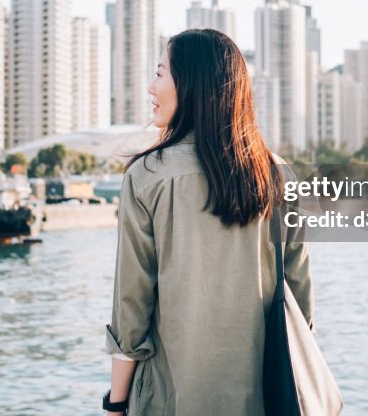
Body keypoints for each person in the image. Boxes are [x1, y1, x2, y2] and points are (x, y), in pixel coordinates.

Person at [103, 29, 312, 415]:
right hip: (265, 399)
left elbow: (131, 310)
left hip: (172, 399)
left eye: (161, 73)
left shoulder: (147, 176)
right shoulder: (279, 176)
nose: (151, 87)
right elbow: (299, 301)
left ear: (191, 84)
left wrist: (115, 404)